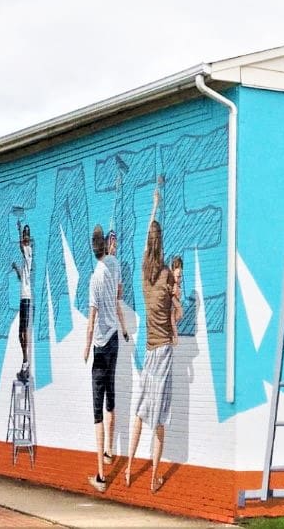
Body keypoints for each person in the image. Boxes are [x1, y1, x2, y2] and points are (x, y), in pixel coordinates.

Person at [126, 183, 177, 493]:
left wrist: (154, 205)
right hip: (166, 352)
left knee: (142, 412)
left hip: (149, 351)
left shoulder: (144, 273)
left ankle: (131, 469)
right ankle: (155, 477)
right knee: (161, 417)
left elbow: (149, 236)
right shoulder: (167, 277)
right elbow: (176, 311)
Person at [83, 225, 129, 493]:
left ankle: (101, 476)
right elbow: (119, 296)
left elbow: (91, 322)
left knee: (96, 410)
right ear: (107, 247)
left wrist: (86, 348)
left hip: (101, 346)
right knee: (111, 394)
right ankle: (110, 451)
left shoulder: (94, 278)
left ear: (92, 250)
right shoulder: (115, 263)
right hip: (114, 341)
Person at [10, 223, 34, 382]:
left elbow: (20, 246)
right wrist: (16, 269)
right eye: (23, 235)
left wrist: (18, 229)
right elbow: (22, 278)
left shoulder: (28, 250)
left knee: (23, 331)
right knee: (20, 334)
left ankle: (26, 363)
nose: (24, 238)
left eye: (26, 235)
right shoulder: (26, 257)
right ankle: (24, 361)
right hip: (23, 298)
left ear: (28, 238)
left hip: (26, 298)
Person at [170, 256, 184, 344]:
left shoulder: (176, 288)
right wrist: (175, 335)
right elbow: (171, 316)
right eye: (178, 276)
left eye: (181, 276)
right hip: (170, 331)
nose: (180, 279)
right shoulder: (174, 289)